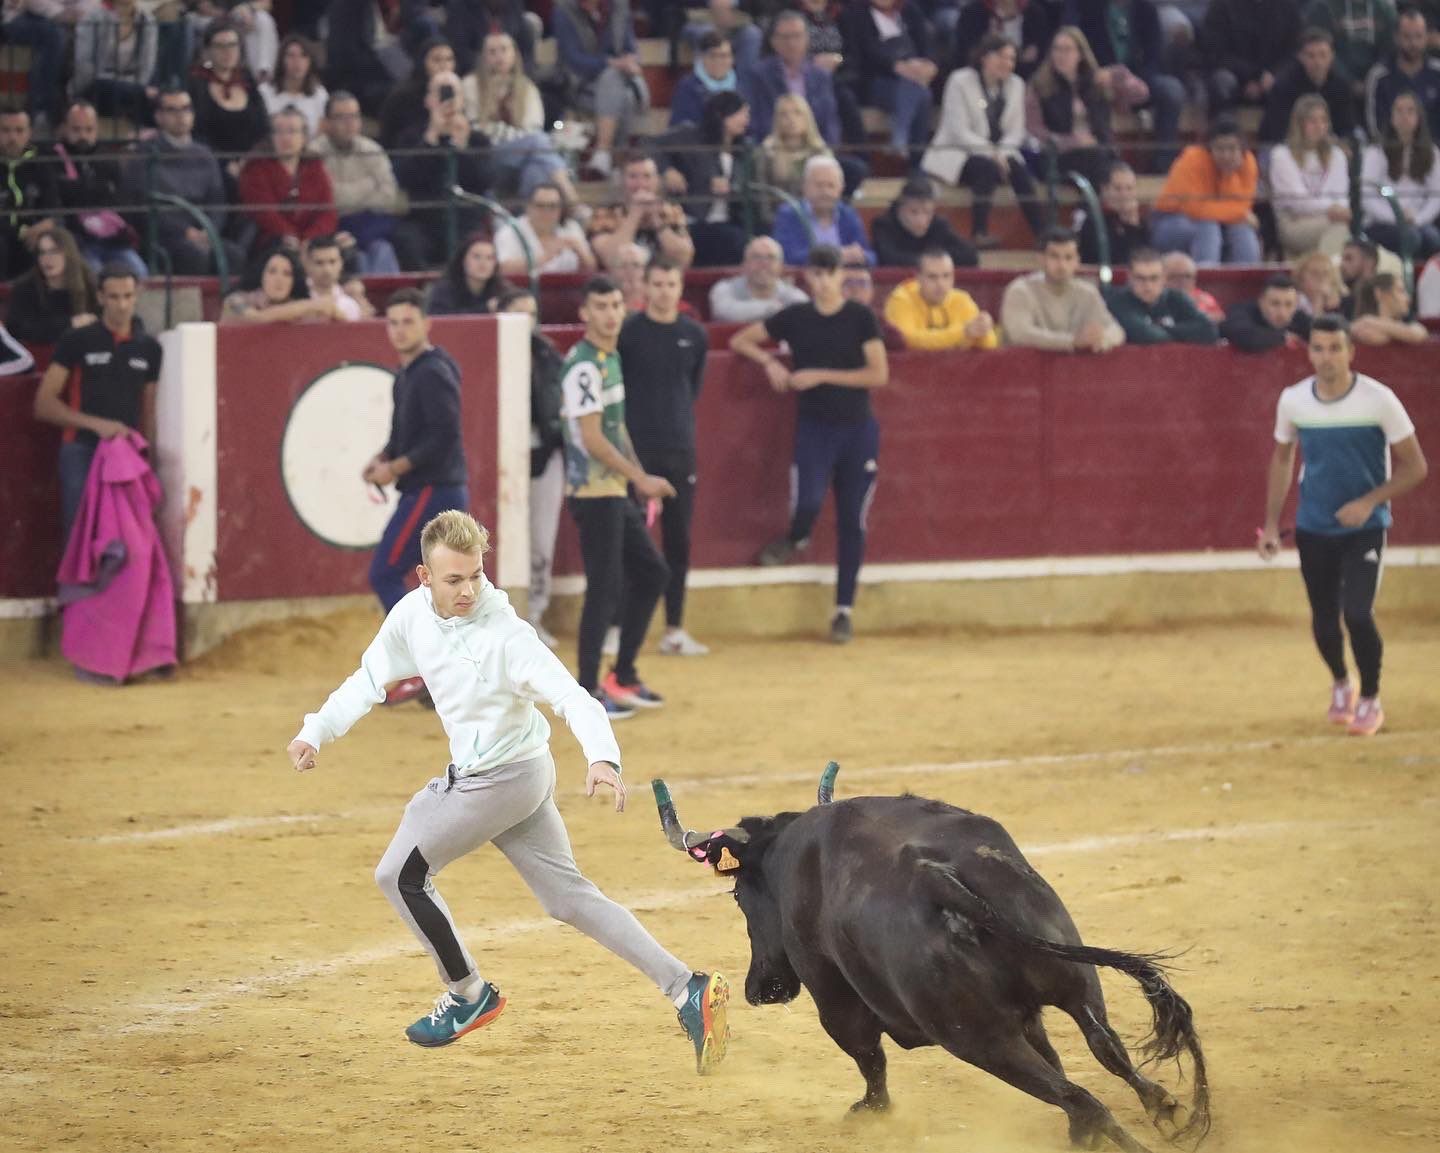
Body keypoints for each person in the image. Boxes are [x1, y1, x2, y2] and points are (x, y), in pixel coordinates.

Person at [284, 507, 732, 1065]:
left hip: (504, 780)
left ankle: (468, 994)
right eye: (453, 580)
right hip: (510, 775)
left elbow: (573, 697)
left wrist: (602, 758)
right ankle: (687, 988)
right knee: (569, 899)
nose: (469, 589)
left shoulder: (507, 635)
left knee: (399, 876)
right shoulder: (411, 617)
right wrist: (316, 730)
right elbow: (369, 680)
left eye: (475, 575)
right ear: (424, 578)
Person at [1258, 313, 1428, 736]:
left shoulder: (1378, 399)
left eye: (1336, 348)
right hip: (1314, 525)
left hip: (1364, 527)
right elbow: (1282, 459)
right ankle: (1340, 681)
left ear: (1351, 352)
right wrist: (1270, 525)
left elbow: (1416, 467)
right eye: (1319, 348)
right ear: (1309, 352)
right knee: (1323, 616)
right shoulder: (1294, 400)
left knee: (1357, 613)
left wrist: (1369, 502)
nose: (1327, 357)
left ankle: (1370, 696)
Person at [731, 244, 889, 645]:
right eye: (814, 275)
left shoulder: (859, 317)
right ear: (807, 278)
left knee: (853, 520)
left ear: (839, 276)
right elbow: (742, 341)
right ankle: (798, 536)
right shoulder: (796, 318)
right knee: (809, 503)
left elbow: (878, 374)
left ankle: (843, 611)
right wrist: (769, 362)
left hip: (856, 430)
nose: (821, 282)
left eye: (827, 274)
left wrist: (818, 374)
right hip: (817, 428)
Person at [559, 275, 676, 714]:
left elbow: (615, 428)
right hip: (592, 492)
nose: (610, 314)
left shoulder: (608, 359)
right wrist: (639, 479)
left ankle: (621, 674)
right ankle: (588, 690)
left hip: (610, 488)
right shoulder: (585, 365)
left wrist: (638, 476)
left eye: (615, 305)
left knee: (651, 573)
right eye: (601, 307)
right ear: (584, 314)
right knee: (604, 588)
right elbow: (591, 438)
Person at [362, 289, 471, 670]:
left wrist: (393, 469)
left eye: (408, 322)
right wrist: (384, 456)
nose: (399, 331)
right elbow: (407, 434)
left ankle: (426, 665)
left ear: (426, 324)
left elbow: (444, 437)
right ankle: (443, 665)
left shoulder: (429, 373)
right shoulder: (414, 373)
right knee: (432, 582)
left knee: (385, 571)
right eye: (393, 323)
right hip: (435, 487)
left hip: (432, 489)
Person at [617, 257, 710, 658]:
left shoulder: (694, 335)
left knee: (679, 541)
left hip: (678, 449)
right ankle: (617, 625)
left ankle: (674, 628)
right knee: (625, 540)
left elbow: (692, 388)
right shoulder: (628, 332)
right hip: (635, 452)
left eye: (671, 283)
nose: (664, 290)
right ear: (646, 286)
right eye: (657, 283)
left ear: (680, 287)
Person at [30, 264, 161, 541]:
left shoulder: (150, 348)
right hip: (81, 447)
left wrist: (149, 455)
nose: (122, 305)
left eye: (127, 296)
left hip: (127, 452)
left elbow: (148, 409)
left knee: (127, 535)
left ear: (137, 295)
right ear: (100, 298)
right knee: (81, 534)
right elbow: (43, 404)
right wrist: (97, 424)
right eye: (113, 297)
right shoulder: (77, 340)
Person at [922, 35, 1045, 249]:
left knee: (1019, 170)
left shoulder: (1016, 85)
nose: (1007, 64)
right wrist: (992, 153)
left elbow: (1016, 131)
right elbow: (957, 130)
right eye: (1001, 57)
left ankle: (1042, 235)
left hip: (1001, 155)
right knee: (985, 167)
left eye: (1011, 59)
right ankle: (979, 232)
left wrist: (1002, 154)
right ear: (985, 57)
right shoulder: (959, 80)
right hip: (958, 153)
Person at [494, 286, 567, 649]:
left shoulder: (547, 354)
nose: (528, 323)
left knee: (541, 541)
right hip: (499, 456)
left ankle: (533, 616)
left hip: (544, 451)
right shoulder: (487, 351)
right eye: (519, 314)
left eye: (532, 315)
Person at [123, 87, 241, 277]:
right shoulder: (144, 155)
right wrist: (184, 232)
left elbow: (217, 201)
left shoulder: (205, 155)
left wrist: (208, 230)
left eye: (186, 109)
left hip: (204, 233)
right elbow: (143, 207)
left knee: (235, 255)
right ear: (159, 116)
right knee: (194, 257)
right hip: (163, 238)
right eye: (172, 110)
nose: (181, 116)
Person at [392, 69, 496, 270]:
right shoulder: (411, 137)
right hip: (423, 219)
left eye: (452, 93)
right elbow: (404, 178)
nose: (447, 100)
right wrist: (431, 140)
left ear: (462, 100)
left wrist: (462, 145)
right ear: (428, 100)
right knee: (406, 241)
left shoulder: (477, 140)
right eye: (440, 93)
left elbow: (485, 180)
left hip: (465, 218)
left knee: (475, 248)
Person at [463, 31, 582, 205]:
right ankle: (571, 198)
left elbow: (532, 129)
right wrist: (519, 137)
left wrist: (513, 136)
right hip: (488, 157)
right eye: (492, 52)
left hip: (523, 156)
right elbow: (477, 129)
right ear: (483, 57)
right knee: (539, 143)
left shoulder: (527, 87)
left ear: (514, 54)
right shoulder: (470, 84)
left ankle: (530, 223)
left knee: (536, 171)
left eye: (504, 50)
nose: (499, 57)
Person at [1069, 0, 1184, 171]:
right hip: (1100, 76)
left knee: (1171, 90)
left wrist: (1134, 80)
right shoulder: (1088, 7)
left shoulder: (1146, 10)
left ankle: (1163, 164)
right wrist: (1097, 73)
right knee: (1098, 94)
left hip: (1139, 79)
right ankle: (1107, 164)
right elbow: (1078, 49)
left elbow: (1155, 57)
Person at [310, 91, 406, 275]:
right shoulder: (314, 154)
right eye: (341, 117)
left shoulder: (373, 150)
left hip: (370, 223)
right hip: (331, 224)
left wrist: (343, 193)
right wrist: (368, 186)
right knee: (356, 255)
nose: (349, 123)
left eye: (354, 116)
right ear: (327, 122)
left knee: (383, 249)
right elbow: (326, 199)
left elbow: (388, 197)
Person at [47, 100, 146, 278]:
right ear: (64, 128)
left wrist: (79, 190)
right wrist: (96, 190)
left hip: (113, 241)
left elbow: (119, 198)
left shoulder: (107, 157)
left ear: (97, 129)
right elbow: (61, 196)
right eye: (76, 129)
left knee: (140, 273)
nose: (83, 135)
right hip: (78, 241)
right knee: (96, 277)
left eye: (89, 129)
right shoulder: (53, 158)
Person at [552, 0, 649, 178]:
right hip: (581, 86)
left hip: (619, 80)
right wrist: (609, 63)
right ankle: (618, 166)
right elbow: (573, 60)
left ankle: (603, 153)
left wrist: (630, 61)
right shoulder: (564, 10)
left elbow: (629, 47)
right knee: (623, 97)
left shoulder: (619, 6)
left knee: (613, 80)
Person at [655, 90, 751, 267]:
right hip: (693, 219)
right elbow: (650, 145)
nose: (747, 119)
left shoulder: (744, 149)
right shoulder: (690, 136)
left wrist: (731, 189)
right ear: (723, 114)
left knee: (738, 241)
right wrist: (667, 170)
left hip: (728, 222)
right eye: (741, 113)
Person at [1150, 119, 1261, 265]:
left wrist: (1229, 176)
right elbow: (1196, 210)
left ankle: (1248, 279)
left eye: (1232, 149)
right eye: (1220, 149)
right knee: (1208, 227)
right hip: (1170, 221)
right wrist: (1240, 213)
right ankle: (1206, 279)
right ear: (1210, 148)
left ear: (1242, 149)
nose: (1226, 155)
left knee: (1242, 229)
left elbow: (1243, 204)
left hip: (1220, 221)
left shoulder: (1248, 163)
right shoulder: (1192, 159)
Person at [1000, 227, 1126, 351]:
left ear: (1077, 261)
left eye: (1068, 257)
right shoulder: (1020, 291)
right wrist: (1072, 342)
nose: (1062, 265)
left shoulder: (1088, 293)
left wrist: (1103, 339)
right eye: (1054, 257)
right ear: (1041, 258)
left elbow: (1116, 330)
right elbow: (1019, 334)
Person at [841, 0, 937, 159]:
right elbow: (862, 55)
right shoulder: (855, 13)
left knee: (922, 94)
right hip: (876, 80)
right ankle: (915, 161)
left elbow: (925, 44)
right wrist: (896, 67)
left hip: (913, 75)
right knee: (920, 92)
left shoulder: (909, 10)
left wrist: (929, 64)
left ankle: (901, 140)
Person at [238, 107, 338, 256]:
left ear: (304, 137)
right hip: (271, 238)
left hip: (313, 240)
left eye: (292, 131)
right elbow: (264, 213)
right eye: (279, 131)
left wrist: (309, 239)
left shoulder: (315, 165)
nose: (285, 138)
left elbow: (327, 210)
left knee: (346, 248)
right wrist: (291, 237)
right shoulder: (256, 167)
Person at [1025, 26, 1115, 188]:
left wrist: (1116, 74)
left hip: (1096, 152)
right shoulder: (1039, 86)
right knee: (1099, 163)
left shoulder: (1095, 84)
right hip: (1057, 156)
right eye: (1057, 49)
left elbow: (1140, 93)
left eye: (1067, 50)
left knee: (1113, 167)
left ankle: (1086, 212)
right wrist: (1073, 142)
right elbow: (1034, 129)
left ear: (1080, 54)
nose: (1061, 55)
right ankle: (1089, 212)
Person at [1269, 94, 1352, 260]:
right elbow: (1296, 202)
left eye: (1323, 120)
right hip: (1293, 222)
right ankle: (1331, 279)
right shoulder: (1281, 155)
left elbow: (1341, 197)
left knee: (1339, 228)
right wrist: (1330, 209)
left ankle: (1323, 276)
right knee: (1339, 229)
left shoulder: (1337, 156)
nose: (1319, 126)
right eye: (1312, 121)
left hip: (1329, 219)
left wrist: (1337, 209)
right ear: (1299, 124)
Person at [1361, 89, 1440, 261]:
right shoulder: (1376, 151)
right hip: (1381, 222)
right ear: (1391, 117)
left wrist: (1418, 219)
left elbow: (1436, 197)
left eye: (1410, 110)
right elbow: (1367, 197)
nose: (1404, 116)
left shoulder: (1432, 153)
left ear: (1419, 116)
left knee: (1432, 238)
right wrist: (1396, 217)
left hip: (1417, 221)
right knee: (1412, 238)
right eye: (1399, 110)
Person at [326, 0, 437, 117]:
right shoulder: (346, 8)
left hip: (395, 65)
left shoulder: (406, 8)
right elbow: (346, 60)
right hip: (363, 79)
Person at [188, 19, 270, 179]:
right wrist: (225, 163)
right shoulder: (196, 84)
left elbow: (264, 129)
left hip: (252, 166)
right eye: (220, 46)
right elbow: (196, 134)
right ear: (207, 51)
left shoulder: (247, 82)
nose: (228, 52)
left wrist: (248, 161)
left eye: (233, 45)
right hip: (210, 167)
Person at [589, 154, 695, 271]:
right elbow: (610, 259)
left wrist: (656, 220)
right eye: (633, 177)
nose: (641, 184)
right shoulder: (605, 214)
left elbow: (683, 259)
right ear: (622, 181)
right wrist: (635, 215)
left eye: (647, 176)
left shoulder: (671, 211)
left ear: (657, 181)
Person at [883, 248, 998, 350]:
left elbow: (990, 346)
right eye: (932, 277)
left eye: (946, 276)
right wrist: (962, 333)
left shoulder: (962, 300)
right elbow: (908, 340)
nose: (941, 284)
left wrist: (984, 330)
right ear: (918, 277)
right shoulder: (900, 300)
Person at [1198, 0, 1303, 111]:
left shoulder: (1287, 7)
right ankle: (1224, 126)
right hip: (1235, 79)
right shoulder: (1222, 6)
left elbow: (1294, 52)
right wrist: (1256, 75)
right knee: (1223, 81)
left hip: (1274, 80)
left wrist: (1273, 76)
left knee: (1291, 84)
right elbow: (1215, 54)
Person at [1258, 27, 1357, 144]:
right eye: (1311, 56)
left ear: (1332, 56)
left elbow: (1346, 127)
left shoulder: (1341, 86)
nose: (1318, 62)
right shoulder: (1284, 85)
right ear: (1301, 57)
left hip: (1328, 147)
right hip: (1288, 147)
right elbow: (1276, 129)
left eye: (1323, 55)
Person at [773, 155, 875, 267]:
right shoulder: (790, 214)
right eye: (819, 185)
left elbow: (870, 257)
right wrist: (836, 256)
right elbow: (787, 256)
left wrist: (861, 256)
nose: (825, 192)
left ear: (840, 189)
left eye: (831, 186)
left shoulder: (848, 214)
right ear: (805, 187)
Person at [4, 226, 98, 348]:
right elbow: (17, 328)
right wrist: (70, 324)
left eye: (54, 251)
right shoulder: (25, 288)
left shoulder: (89, 282)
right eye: (42, 252)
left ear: (68, 254)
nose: (47, 259)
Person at [1105, 247, 1220, 343]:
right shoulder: (1119, 301)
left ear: (1164, 278)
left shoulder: (1176, 298)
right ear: (1129, 278)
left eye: (1154, 278)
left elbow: (1209, 330)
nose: (1148, 285)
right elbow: (1146, 335)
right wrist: (1184, 333)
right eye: (1140, 278)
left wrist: (1163, 329)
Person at [73, 0, 158, 125]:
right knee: (147, 96)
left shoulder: (146, 20)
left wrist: (135, 88)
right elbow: (83, 63)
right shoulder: (93, 16)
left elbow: (147, 64)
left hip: (131, 86)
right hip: (96, 84)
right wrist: (136, 90)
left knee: (160, 103)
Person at [0, 107, 58, 280]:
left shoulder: (43, 162)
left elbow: (52, 206)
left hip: (34, 234)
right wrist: (19, 232)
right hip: (5, 234)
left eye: (19, 131)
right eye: (5, 130)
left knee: (54, 243)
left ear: (29, 133)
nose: (12, 137)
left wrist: (46, 223)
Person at [1366, 6, 1440, 140]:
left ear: (1426, 37)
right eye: (1407, 36)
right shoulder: (1380, 75)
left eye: (1418, 36)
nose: (1413, 43)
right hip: (1391, 153)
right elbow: (1375, 127)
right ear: (1396, 37)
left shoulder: (1437, 72)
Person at [755, 92, 835, 214]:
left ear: (807, 118)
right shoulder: (767, 153)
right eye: (784, 114)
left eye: (797, 113)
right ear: (777, 120)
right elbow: (762, 197)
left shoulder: (821, 152)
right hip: (776, 221)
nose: (791, 119)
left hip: (813, 220)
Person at [496, 183, 596, 278]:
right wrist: (545, 257)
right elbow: (502, 269)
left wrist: (580, 251)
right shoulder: (510, 231)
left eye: (553, 206)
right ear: (528, 207)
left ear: (561, 209)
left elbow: (591, 269)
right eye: (540, 206)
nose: (546, 212)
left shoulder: (571, 227)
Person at [220, 245, 340, 323]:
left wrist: (333, 310)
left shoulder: (297, 306)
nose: (279, 279)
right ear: (261, 275)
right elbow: (258, 318)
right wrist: (310, 305)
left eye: (287, 274)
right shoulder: (235, 300)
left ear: (294, 281)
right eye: (272, 272)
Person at [378, 38, 456, 150]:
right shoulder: (402, 97)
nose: (444, 66)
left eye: (449, 59)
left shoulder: (455, 91)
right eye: (437, 60)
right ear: (423, 62)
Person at [1306, 0, 1399, 94]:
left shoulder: (1385, 9)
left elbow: (1388, 51)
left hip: (1378, 83)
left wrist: (1372, 79)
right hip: (1335, 85)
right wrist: (1350, 82)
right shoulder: (1325, 6)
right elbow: (1322, 49)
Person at [709, 235, 808, 323]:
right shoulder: (724, 288)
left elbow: (804, 313)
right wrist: (771, 309)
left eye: (771, 258)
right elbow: (723, 312)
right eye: (756, 257)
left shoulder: (793, 295)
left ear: (781, 267)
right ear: (744, 264)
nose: (764, 264)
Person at [668, 29, 751, 129]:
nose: (719, 61)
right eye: (713, 56)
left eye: (724, 56)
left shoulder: (743, 86)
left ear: (732, 59)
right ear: (702, 57)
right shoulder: (687, 87)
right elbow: (680, 126)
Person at [952, 0, 1054, 80]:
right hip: (979, 78)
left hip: (1025, 80)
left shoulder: (1035, 13)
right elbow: (966, 55)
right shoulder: (972, 13)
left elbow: (1040, 58)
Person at [1075, 160, 1149, 266]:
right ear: (1104, 189)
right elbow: (1111, 259)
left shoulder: (1140, 222)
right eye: (1117, 189)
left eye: (1129, 188)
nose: (1124, 194)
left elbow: (1147, 259)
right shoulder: (1093, 221)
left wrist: (1133, 226)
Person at [1220, 272, 1312, 350]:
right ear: (1261, 302)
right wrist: (1283, 337)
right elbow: (1246, 337)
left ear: (1296, 305)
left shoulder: (1299, 318)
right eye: (1275, 304)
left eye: (1289, 305)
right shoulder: (1241, 312)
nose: (1282, 312)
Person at [259, 33, 329, 136]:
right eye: (291, 56)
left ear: (310, 61)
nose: (297, 62)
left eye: (303, 56)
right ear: (282, 60)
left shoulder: (319, 95)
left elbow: (321, 134)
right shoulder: (264, 92)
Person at [427, 233, 508, 315]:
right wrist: (485, 309)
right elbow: (440, 319)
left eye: (489, 258)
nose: (483, 263)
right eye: (476, 256)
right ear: (463, 260)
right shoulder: (444, 291)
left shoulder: (503, 290)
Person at [1350, 270, 1429, 342]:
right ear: (1379, 293)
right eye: (1400, 291)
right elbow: (1372, 337)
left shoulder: (1366, 323)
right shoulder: (1358, 328)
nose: (1408, 299)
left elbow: (1418, 334)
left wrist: (1370, 322)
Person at [1162, 250, 1225, 320]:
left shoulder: (1203, 298)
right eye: (1174, 276)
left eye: (1187, 276)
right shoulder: (1156, 298)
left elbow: (1219, 317)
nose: (1182, 281)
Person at [1294, 249, 1346, 314]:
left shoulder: (1341, 301)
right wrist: (1318, 301)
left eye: (1325, 273)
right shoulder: (1293, 300)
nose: (1320, 278)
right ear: (1301, 277)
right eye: (1314, 273)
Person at [1339, 236, 1381, 315]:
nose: (1342, 265)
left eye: (1349, 259)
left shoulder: (1382, 299)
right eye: (1342, 259)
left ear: (1369, 263)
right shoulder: (1343, 303)